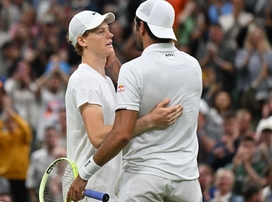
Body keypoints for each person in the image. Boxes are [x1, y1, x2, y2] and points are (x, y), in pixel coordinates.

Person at [67, 0, 202, 201]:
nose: (110, 34)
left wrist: (113, 64)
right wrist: (149, 121)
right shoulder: (85, 80)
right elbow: (97, 136)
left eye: (108, 29)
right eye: (100, 31)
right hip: (93, 187)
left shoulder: (104, 79)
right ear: (82, 41)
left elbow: (136, 84)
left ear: (142, 27)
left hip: (111, 183)